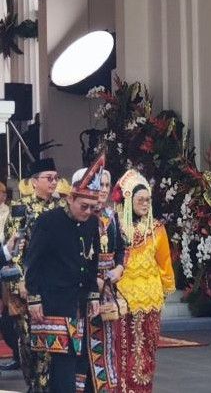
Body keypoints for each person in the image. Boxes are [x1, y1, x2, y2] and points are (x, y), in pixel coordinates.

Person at [24, 158, 103, 393]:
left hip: (78, 302)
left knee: (78, 362)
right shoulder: (48, 222)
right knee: (62, 364)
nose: (88, 212)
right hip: (54, 302)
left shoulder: (92, 224)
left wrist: (92, 294)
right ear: (70, 199)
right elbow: (33, 261)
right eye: (83, 206)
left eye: (92, 207)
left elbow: (92, 262)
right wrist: (34, 298)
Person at [1, 158, 65, 386]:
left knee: (54, 344)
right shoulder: (22, 208)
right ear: (34, 181)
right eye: (49, 178)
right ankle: (35, 385)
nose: (53, 182)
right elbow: (14, 250)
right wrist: (19, 281)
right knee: (30, 343)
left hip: (56, 287)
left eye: (56, 178)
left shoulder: (62, 208)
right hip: (28, 286)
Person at [113, 169, 176, 393]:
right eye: (141, 200)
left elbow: (164, 261)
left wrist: (166, 287)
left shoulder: (157, 228)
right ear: (129, 200)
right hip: (122, 298)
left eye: (148, 200)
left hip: (150, 299)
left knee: (146, 349)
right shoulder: (115, 227)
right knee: (122, 347)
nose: (146, 204)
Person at [72, 163, 125, 393]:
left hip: (108, 288)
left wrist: (120, 268)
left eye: (106, 184)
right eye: (98, 184)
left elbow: (122, 248)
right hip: (84, 289)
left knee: (106, 343)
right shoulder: (82, 217)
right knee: (82, 344)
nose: (103, 189)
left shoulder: (112, 216)